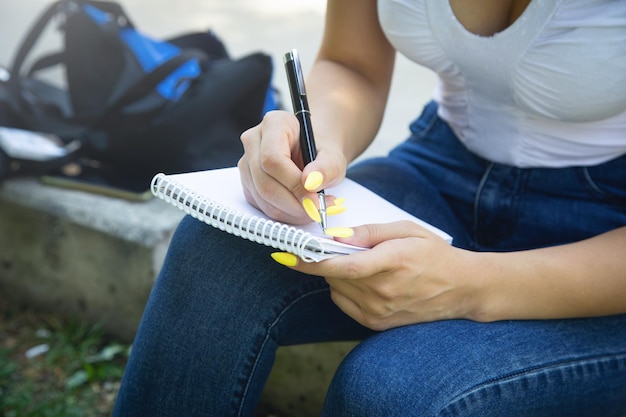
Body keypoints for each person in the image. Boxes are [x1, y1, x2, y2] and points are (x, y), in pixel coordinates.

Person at [112, 0, 626, 415]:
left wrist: (472, 286)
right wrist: (317, 142)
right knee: (218, 252)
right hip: (444, 162)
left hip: (606, 240)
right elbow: (350, 61)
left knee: (391, 390)